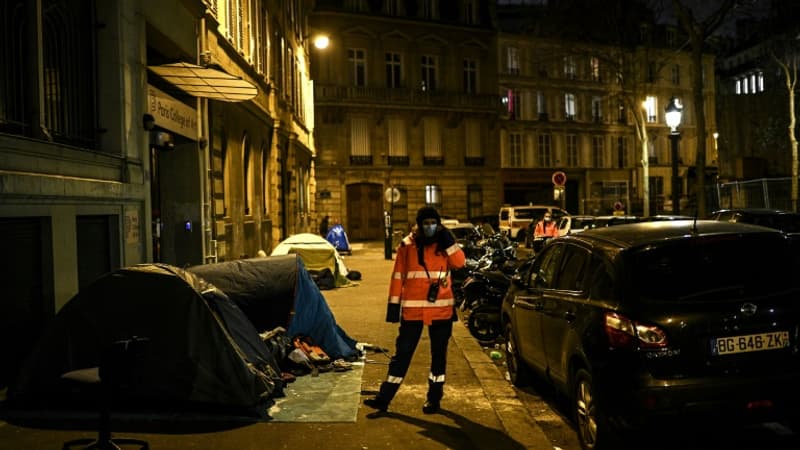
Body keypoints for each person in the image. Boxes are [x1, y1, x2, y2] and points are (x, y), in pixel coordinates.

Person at [363, 206, 466, 414]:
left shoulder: (445, 242)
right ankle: (384, 399)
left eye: (433, 222)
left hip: (441, 311)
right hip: (413, 311)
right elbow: (398, 276)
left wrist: (449, 240)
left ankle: (434, 400)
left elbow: (460, 263)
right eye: (426, 223)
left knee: (439, 356)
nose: (430, 227)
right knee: (403, 354)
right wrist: (393, 307)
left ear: (438, 224)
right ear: (419, 224)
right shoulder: (407, 245)